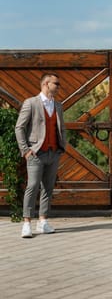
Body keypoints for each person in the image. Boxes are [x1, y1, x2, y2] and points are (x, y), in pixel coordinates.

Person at [15, 73, 66, 238]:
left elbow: (61, 128)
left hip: (53, 152)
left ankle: (43, 221)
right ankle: (27, 223)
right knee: (32, 187)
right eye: (56, 83)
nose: (58, 86)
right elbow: (19, 128)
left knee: (48, 188)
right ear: (46, 84)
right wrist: (26, 150)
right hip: (36, 153)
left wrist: (61, 147)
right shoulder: (31, 103)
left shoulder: (58, 105)